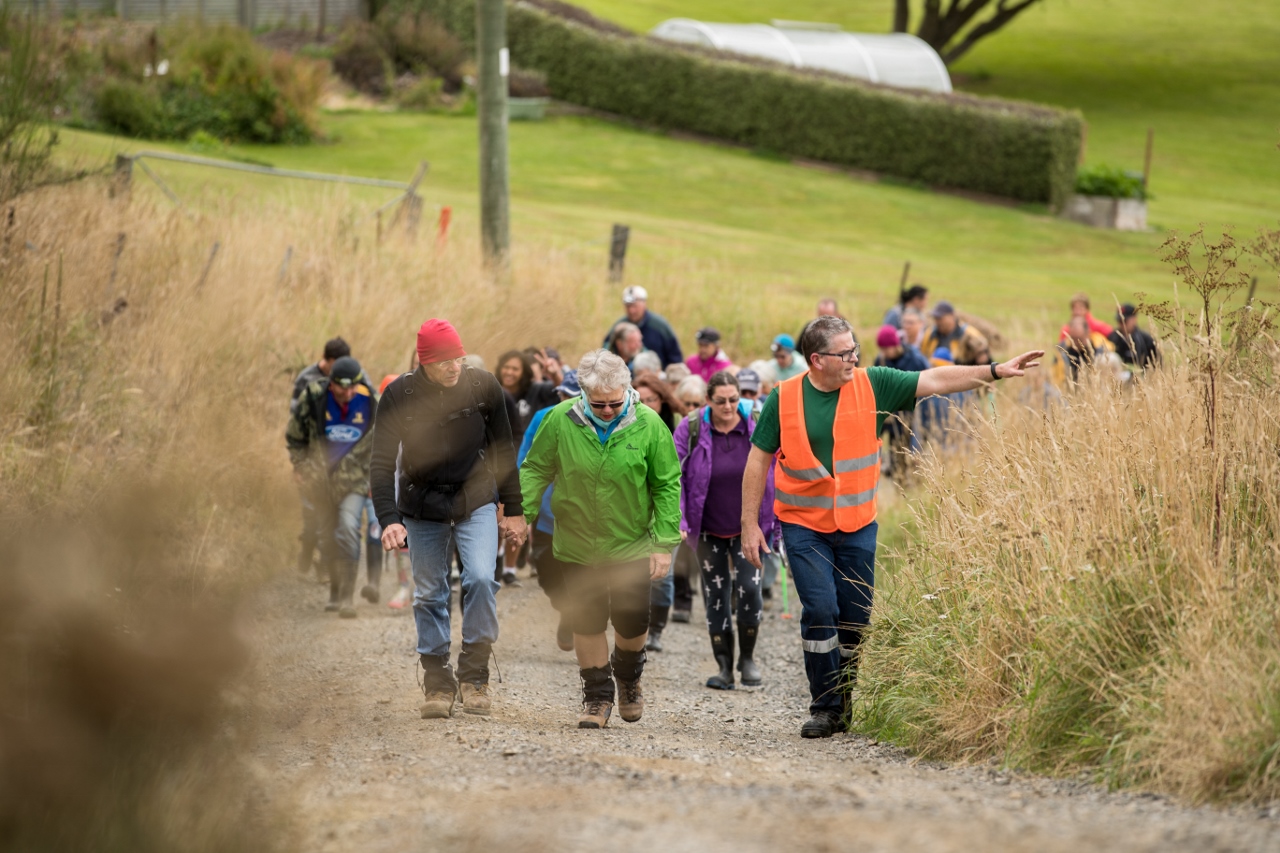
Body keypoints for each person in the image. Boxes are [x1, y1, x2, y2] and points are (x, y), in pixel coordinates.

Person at [740, 315, 1044, 738]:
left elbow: (935, 380)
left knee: (855, 619)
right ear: (816, 360)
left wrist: (994, 371)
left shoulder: (873, 383)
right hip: (803, 525)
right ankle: (824, 706)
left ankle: (845, 698)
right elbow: (758, 459)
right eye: (844, 353)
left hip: (858, 522)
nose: (854, 358)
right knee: (821, 610)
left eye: (855, 350)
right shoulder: (784, 398)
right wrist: (749, 524)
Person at [372, 319, 527, 721]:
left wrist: (515, 510)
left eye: (457, 357)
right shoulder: (398, 395)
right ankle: (438, 680)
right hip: (421, 504)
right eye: (443, 362)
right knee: (429, 593)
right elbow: (381, 462)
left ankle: (474, 674)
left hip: (475, 499)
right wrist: (389, 518)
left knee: (479, 577)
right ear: (424, 362)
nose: (454, 367)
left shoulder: (483, 387)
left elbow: (503, 451)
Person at [520, 350, 681, 729]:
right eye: (598, 404)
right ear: (582, 394)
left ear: (626, 390)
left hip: (630, 542)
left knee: (631, 620)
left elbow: (667, 485)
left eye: (613, 403)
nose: (607, 410)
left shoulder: (649, 424)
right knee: (588, 620)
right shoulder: (559, 421)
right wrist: (521, 515)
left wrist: (663, 542)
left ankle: (628, 677)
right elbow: (535, 468)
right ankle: (596, 697)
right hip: (576, 543)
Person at [674, 372, 777, 691]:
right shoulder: (691, 428)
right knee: (715, 595)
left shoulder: (757, 422)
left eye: (734, 399)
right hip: (707, 528)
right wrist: (678, 519)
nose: (729, 406)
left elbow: (781, 465)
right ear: (708, 401)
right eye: (721, 401)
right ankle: (723, 666)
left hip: (752, 529)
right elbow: (673, 475)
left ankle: (747, 659)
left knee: (749, 588)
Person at [286, 356, 377, 619]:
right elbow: (295, 436)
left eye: (352, 388)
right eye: (341, 388)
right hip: (320, 481)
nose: (347, 393)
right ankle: (335, 592)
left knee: (349, 527)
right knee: (327, 536)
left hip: (355, 481)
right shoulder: (314, 398)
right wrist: (301, 466)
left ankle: (348, 597)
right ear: (330, 383)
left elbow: (385, 443)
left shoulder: (372, 401)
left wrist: (377, 477)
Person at [518, 369, 582, 652]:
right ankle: (567, 608)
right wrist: (520, 504)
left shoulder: (596, 422)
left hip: (582, 518)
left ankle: (576, 615)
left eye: (574, 396)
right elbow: (526, 460)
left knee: (579, 574)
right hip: (546, 514)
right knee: (545, 572)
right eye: (563, 394)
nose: (566, 400)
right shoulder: (542, 417)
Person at [874, 325, 930, 478]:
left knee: (901, 451)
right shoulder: (881, 360)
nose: (884, 352)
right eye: (882, 349)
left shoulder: (914, 361)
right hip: (886, 414)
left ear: (895, 345)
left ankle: (903, 480)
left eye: (887, 348)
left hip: (906, 416)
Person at [603, 286, 683, 368]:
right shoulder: (618, 327)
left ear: (644, 303)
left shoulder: (660, 327)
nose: (631, 311)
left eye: (634, 306)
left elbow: (675, 357)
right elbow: (606, 351)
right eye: (628, 306)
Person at [496, 350, 558, 444]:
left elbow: (561, 393)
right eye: (506, 367)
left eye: (515, 369)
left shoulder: (535, 390)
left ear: (524, 372)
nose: (509, 372)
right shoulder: (492, 393)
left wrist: (555, 375)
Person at [919, 301, 990, 365]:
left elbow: (983, 358)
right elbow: (923, 356)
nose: (938, 322)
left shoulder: (969, 334)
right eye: (936, 318)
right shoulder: (930, 333)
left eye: (940, 318)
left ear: (952, 316)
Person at [1056, 315, 1113, 384]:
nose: (1076, 343)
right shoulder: (1062, 350)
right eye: (1073, 338)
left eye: (1079, 339)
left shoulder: (1101, 347)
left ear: (1088, 333)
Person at [1108, 304, 1159, 372]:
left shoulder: (1146, 340)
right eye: (1119, 321)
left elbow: (1157, 364)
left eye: (1124, 321)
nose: (1121, 324)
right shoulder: (1112, 337)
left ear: (1134, 319)